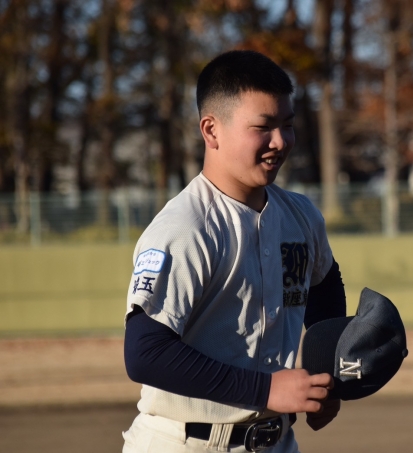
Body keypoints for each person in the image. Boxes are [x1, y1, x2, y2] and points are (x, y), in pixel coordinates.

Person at [122, 50, 346, 453]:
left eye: (288, 124)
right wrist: (267, 389)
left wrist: (325, 377)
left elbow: (325, 289)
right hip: (186, 443)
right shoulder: (185, 227)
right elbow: (145, 353)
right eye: (263, 127)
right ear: (211, 131)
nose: (280, 141)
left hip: (278, 441)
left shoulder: (301, 216)